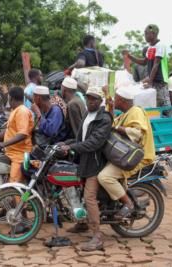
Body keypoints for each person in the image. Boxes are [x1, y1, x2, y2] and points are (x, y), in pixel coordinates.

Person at [60, 87, 112, 251]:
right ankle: (82, 224)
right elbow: (80, 138)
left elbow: (94, 142)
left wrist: (73, 147)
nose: (91, 101)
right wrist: (66, 144)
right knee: (80, 192)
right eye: (89, 98)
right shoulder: (87, 115)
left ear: (100, 101)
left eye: (94, 99)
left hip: (96, 163)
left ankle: (97, 237)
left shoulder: (104, 119)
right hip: (84, 161)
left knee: (89, 197)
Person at [98, 86, 156, 223]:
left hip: (135, 157)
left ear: (123, 101)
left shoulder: (135, 112)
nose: (115, 101)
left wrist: (116, 128)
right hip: (125, 154)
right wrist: (109, 102)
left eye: (116, 99)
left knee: (105, 177)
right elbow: (112, 123)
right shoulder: (125, 113)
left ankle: (128, 203)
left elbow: (136, 134)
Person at [0, 87, 34, 233]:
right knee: (8, 183)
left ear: (11, 97)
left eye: (8, 97)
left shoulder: (21, 111)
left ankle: (22, 221)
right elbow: (9, 132)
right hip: (12, 153)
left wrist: (2, 144)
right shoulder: (15, 111)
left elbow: (22, 134)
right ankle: (7, 210)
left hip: (20, 155)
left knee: (15, 187)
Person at [123, 25, 172, 112]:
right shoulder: (150, 47)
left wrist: (150, 81)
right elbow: (144, 62)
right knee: (154, 107)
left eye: (146, 34)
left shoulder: (160, 45)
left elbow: (156, 65)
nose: (144, 36)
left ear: (153, 34)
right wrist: (129, 56)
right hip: (153, 82)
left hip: (160, 81)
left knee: (166, 106)